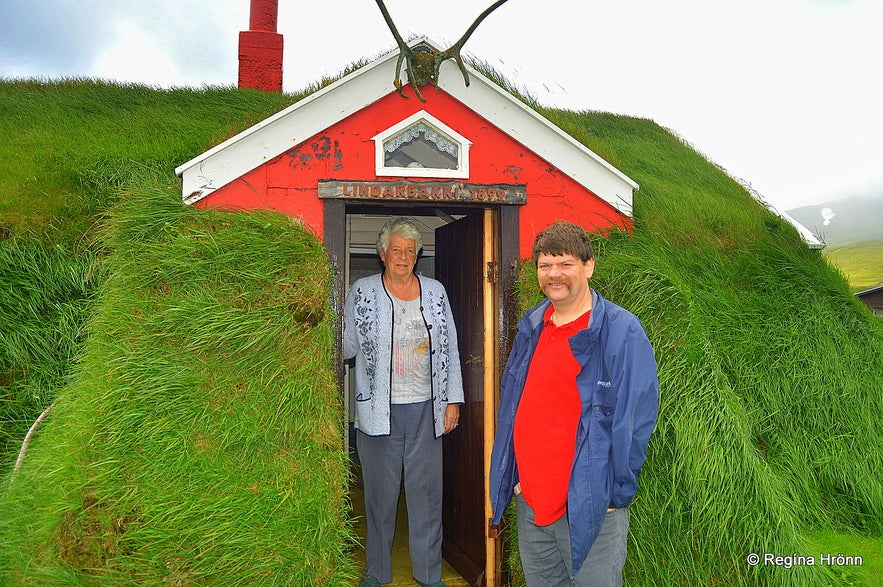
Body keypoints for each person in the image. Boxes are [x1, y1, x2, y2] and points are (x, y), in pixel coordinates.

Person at [489, 220, 659, 587]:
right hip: (534, 502)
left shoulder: (621, 331)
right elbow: (516, 409)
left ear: (588, 266)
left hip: (590, 503)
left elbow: (637, 418)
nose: (554, 274)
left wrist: (615, 493)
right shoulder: (532, 328)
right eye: (545, 265)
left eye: (565, 264)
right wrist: (519, 481)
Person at [343, 217, 465, 587]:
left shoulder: (435, 291)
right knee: (379, 498)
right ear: (383, 253)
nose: (403, 256)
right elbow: (345, 345)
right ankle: (377, 572)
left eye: (410, 251)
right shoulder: (362, 291)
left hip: (426, 407)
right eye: (396, 249)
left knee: (427, 498)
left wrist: (452, 400)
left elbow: (450, 347)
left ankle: (428, 575)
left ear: (417, 256)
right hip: (378, 412)